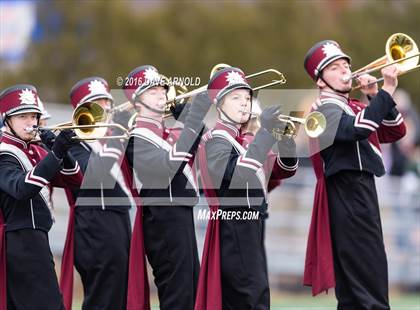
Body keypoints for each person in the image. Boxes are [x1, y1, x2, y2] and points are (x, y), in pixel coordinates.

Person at [303, 40, 406, 309]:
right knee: (366, 284)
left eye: (346, 65)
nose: (345, 71)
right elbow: (357, 130)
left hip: (362, 192)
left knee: (363, 283)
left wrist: (375, 95)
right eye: (335, 68)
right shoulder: (322, 110)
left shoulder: (355, 107)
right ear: (321, 80)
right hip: (346, 193)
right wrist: (389, 90)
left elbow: (395, 131)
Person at [195, 67, 298, 310]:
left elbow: (285, 169)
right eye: (235, 97)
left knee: (257, 296)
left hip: (252, 224)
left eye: (247, 97)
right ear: (219, 105)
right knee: (249, 298)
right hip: (234, 224)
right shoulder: (216, 139)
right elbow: (237, 176)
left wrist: (283, 138)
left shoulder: (245, 140)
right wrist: (264, 133)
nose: (244, 103)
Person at [124, 65, 208, 310]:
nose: (162, 94)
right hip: (163, 219)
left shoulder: (166, 132)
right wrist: (189, 126)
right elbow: (166, 166)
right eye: (152, 91)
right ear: (137, 102)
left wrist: (190, 120)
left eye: (163, 89)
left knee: (191, 290)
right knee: (177, 294)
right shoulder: (136, 138)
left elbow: (202, 149)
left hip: (180, 214)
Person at [0, 84, 82, 310]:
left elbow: (76, 181)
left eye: (34, 116)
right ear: (7, 120)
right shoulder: (4, 152)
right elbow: (21, 189)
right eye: (22, 116)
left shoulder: (35, 149)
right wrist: (54, 154)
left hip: (37, 239)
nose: (31, 122)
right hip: (19, 242)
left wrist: (60, 151)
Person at [59, 77, 134, 310]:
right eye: (99, 102)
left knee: (119, 293)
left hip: (117, 219)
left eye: (108, 101)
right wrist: (118, 139)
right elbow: (95, 175)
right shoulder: (72, 144)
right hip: (96, 225)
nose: (108, 107)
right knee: (104, 296)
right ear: (83, 110)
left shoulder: (107, 139)